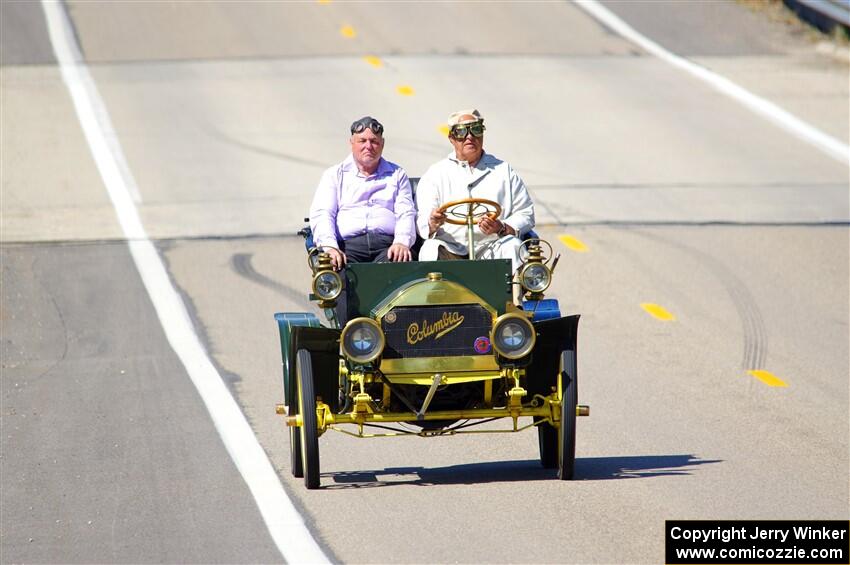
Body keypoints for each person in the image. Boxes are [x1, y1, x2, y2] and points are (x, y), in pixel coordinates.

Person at [415, 109, 534, 272]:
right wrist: (433, 222)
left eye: (476, 130)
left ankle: (513, 297)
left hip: (492, 247)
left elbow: (526, 212)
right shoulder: (435, 174)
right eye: (462, 132)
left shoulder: (503, 170)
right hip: (451, 249)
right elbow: (422, 219)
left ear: (482, 135)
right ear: (452, 138)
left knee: (513, 246)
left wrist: (502, 227)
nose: (470, 137)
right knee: (429, 249)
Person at [309, 116, 416, 270]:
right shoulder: (334, 175)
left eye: (374, 141)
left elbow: (405, 212)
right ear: (351, 143)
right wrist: (330, 247)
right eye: (362, 141)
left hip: (387, 247)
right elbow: (323, 214)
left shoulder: (397, 174)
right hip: (346, 247)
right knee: (331, 271)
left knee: (403, 266)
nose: (369, 146)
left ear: (382, 144)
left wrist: (401, 242)